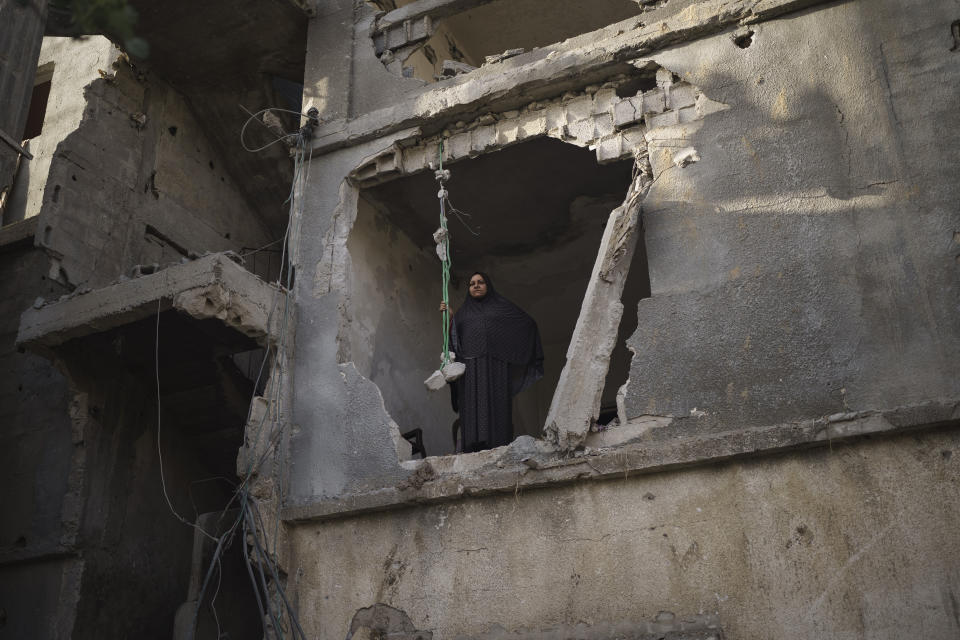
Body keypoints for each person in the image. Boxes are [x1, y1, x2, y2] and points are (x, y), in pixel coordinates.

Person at [439, 272, 544, 452]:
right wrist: (449, 319)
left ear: (488, 285)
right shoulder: (462, 315)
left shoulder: (501, 307)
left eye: (481, 282)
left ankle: (498, 446)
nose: (476, 285)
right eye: (472, 283)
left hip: (496, 369)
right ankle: (473, 448)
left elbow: (526, 324)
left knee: (496, 405)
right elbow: (453, 345)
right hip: (470, 371)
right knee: (472, 408)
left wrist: (504, 352)